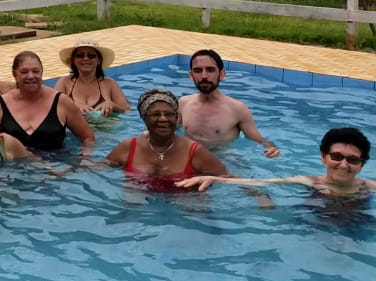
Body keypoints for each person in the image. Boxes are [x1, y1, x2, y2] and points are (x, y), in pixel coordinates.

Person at [177, 127, 374, 198]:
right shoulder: (309, 182)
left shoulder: (369, 187)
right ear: (323, 157)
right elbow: (263, 182)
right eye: (337, 157)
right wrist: (214, 179)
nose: (343, 164)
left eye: (353, 160)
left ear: (362, 165)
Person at [107, 88, 226, 190]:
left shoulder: (194, 152)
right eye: (155, 114)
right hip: (139, 205)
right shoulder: (128, 147)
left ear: (176, 117)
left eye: (169, 114)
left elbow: (230, 179)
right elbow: (100, 169)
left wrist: (211, 179)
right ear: (144, 118)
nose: (163, 119)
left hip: (186, 204)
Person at [179, 49, 280, 157]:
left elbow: (258, 140)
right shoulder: (183, 103)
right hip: (188, 158)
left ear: (221, 74)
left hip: (223, 160)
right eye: (198, 70)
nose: (204, 76)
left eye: (210, 70)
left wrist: (272, 148)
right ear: (191, 75)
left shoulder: (237, 109)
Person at [0, 51, 94, 151]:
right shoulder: (1, 104)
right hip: (14, 165)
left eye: (36, 71)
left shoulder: (61, 102)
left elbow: (88, 138)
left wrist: (84, 162)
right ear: (14, 74)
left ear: (42, 73)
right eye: (24, 72)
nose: (31, 76)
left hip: (59, 164)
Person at [53, 40, 129, 116]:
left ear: (99, 60)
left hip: (105, 126)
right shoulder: (64, 82)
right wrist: (72, 106)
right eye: (80, 55)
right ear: (73, 61)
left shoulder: (110, 83)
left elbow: (127, 110)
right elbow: (52, 107)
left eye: (91, 56)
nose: (86, 58)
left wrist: (112, 105)